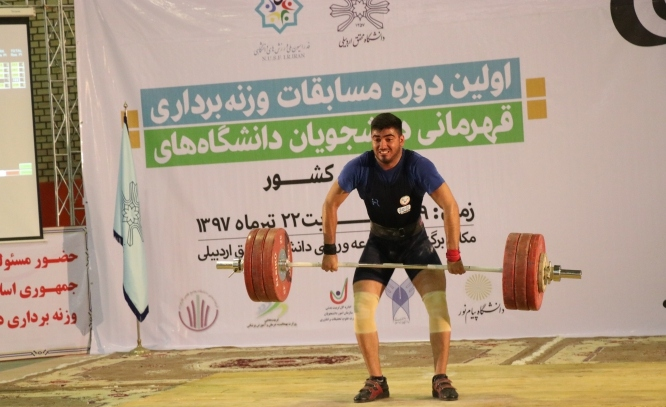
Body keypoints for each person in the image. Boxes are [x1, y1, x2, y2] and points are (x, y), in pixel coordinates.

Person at [321, 112, 466, 402]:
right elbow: (330, 204)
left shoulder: (418, 165)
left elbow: (450, 206)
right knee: (362, 308)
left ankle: (440, 377)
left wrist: (453, 254)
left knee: (437, 304)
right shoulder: (359, 167)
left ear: (401, 139)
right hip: (379, 243)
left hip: (415, 242)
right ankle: (377, 381)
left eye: (389, 139)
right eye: (377, 139)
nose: (382, 145)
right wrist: (329, 250)